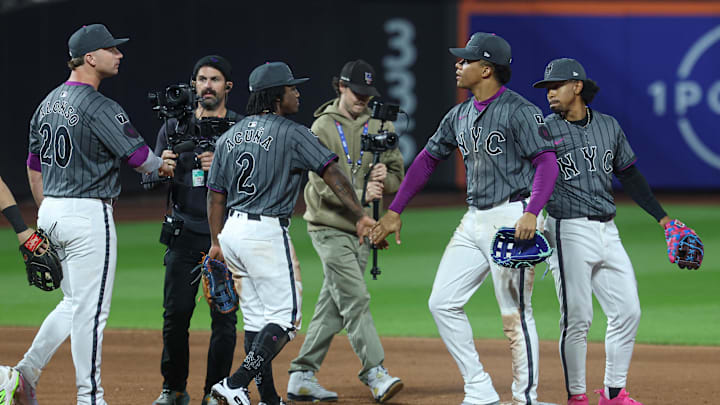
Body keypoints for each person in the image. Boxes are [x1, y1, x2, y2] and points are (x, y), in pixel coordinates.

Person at [370, 32, 560, 405]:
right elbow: (426, 160)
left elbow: (547, 162)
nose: (458, 65)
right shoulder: (459, 114)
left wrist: (533, 212)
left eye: (465, 60)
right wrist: (394, 211)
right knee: (442, 302)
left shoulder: (519, 110)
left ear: (486, 68)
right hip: (473, 219)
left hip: (512, 216)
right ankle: (478, 387)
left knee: (516, 316)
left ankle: (526, 398)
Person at [15, 24, 172, 405]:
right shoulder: (99, 105)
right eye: (111, 50)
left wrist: (46, 210)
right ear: (90, 58)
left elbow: (33, 166)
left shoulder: (47, 102)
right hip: (87, 214)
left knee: (72, 304)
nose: (119, 55)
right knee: (92, 312)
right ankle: (90, 398)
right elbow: (139, 160)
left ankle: (25, 375)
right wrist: (163, 164)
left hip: (50, 208)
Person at [206, 61, 377, 405]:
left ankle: (268, 399)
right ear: (275, 96)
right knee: (286, 321)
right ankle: (235, 383)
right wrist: (360, 215)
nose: (297, 93)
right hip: (265, 233)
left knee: (256, 320)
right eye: (291, 88)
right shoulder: (292, 132)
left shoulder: (230, 136)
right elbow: (334, 175)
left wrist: (214, 242)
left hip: (231, 232)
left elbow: (215, 194)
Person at [532, 57, 691, 405]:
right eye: (547, 88)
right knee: (579, 318)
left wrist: (663, 219)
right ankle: (576, 396)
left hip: (608, 229)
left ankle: (613, 393)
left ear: (577, 87)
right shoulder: (543, 130)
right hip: (567, 228)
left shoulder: (608, 126)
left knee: (628, 310)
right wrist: (528, 214)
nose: (549, 93)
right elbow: (529, 176)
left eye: (555, 86)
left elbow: (630, 175)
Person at [286, 59, 405, 403]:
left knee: (333, 304)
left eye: (368, 94)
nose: (362, 100)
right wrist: (359, 195)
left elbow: (397, 173)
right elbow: (320, 185)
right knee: (355, 298)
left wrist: (386, 181)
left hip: (365, 229)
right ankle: (375, 372)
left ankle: (302, 374)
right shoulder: (322, 127)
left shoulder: (380, 122)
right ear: (340, 86)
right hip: (329, 226)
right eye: (357, 92)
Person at [142, 55, 241, 405]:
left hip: (226, 239)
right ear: (193, 84)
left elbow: (255, 185)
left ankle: (216, 392)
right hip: (184, 232)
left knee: (225, 322)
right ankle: (173, 389)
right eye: (202, 79)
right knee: (175, 317)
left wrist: (223, 169)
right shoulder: (173, 127)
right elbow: (147, 179)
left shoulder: (240, 128)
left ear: (228, 86)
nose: (208, 86)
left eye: (215, 79)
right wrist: (159, 169)